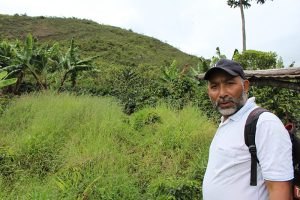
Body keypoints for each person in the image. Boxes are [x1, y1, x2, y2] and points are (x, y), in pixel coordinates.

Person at [202, 58, 293, 200]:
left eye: (230, 84)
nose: (222, 93)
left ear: (245, 86)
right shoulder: (227, 121)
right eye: (214, 87)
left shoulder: (264, 123)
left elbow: (279, 190)